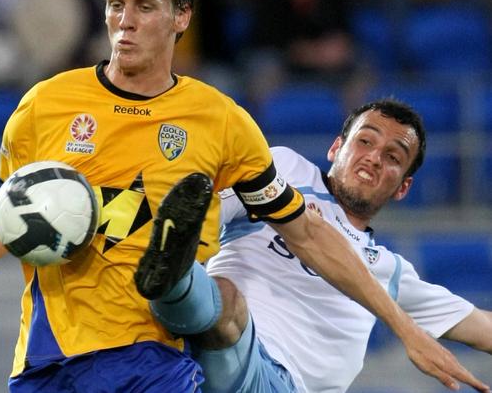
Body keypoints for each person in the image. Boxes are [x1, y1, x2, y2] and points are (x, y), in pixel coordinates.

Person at [0, 0, 487, 393]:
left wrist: (402, 326)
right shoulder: (45, 106)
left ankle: (175, 276)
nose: (124, 21)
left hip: (154, 359)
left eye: (144, 6)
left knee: (210, 300)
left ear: (181, 17)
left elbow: (309, 230)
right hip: (48, 356)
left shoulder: (222, 122)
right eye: (116, 4)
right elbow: (13, 218)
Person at [143, 98, 492, 392]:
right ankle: (169, 272)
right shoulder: (286, 170)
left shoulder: (389, 270)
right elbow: (209, 215)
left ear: (403, 187)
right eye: (365, 141)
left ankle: (173, 281)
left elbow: (481, 328)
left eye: (393, 157)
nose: (373, 157)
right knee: (215, 286)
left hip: (281, 383)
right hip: (210, 348)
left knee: (221, 296)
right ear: (336, 148)